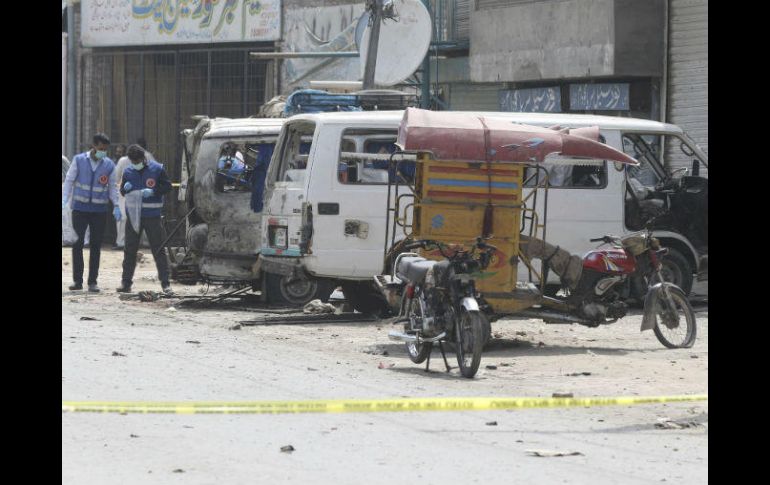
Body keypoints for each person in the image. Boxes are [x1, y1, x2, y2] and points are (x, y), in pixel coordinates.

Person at [62, 133, 122, 292]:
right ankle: (77, 281)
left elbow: (112, 188)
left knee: (95, 246)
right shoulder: (79, 160)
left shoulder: (109, 165)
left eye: (105, 149)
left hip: (99, 211)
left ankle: (92, 282)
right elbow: (69, 180)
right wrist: (64, 200)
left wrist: (116, 205)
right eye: (101, 148)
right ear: (93, 146)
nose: (103, 152)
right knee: (77, 244)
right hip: (80, 209)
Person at [116, 144, 173, 295]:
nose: (135, 164)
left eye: (137, 161)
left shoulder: (157, 169)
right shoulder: (128, 171)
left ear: (143, 158)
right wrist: (125, 188)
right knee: (129, 250)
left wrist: (153, 191)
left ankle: (166, 284)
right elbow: (122, 191)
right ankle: (126, 283)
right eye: (133, 162)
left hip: (152, 216)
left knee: (158, 250)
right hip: (134, 216)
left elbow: (167, 187)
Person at [114, 141, 153, 250]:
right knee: (124, 218)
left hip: (141, 192)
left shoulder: (148, 157)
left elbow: (154, 172)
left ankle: (142, 242)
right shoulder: (123, 161)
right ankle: (122, 242)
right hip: (126, 193)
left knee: (141, 217)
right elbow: (116, 178)